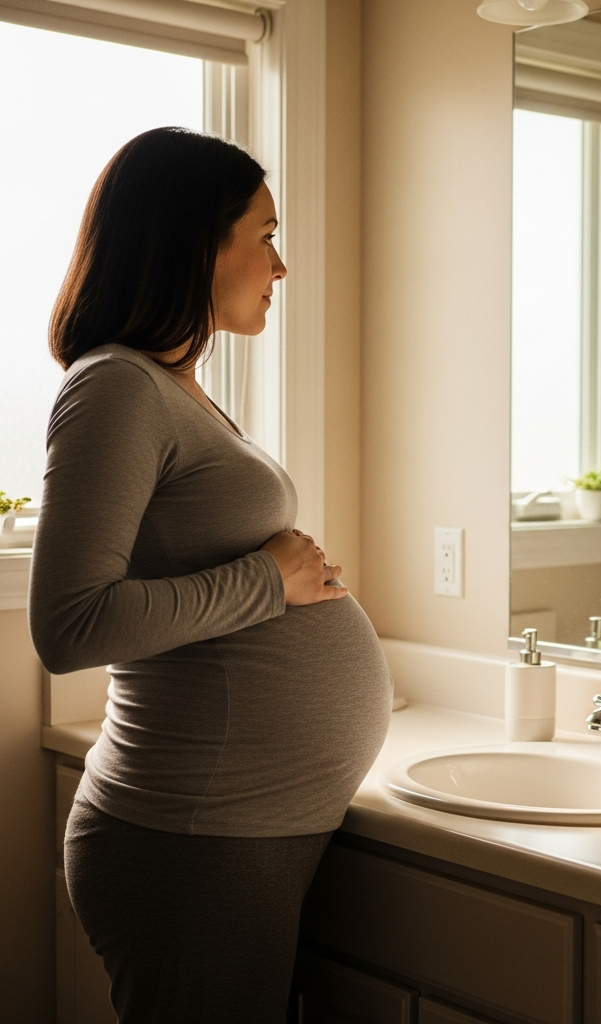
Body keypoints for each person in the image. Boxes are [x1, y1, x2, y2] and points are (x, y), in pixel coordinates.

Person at [29, 128, 393, 1023]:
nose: (280, 264)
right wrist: (268, 582)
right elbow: (70, 625)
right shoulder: (114, 386)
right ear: (198, 243)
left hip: (235, 832)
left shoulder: (172, 385)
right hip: (191, 837)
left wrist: (280, 581)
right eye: (265, 235)